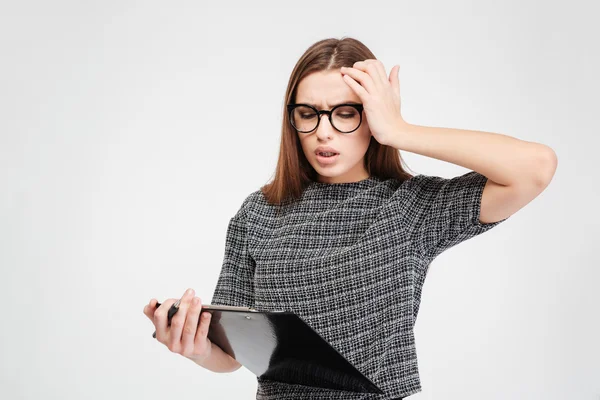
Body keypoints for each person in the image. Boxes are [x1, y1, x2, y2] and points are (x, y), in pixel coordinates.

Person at [143, 37, 557, 399]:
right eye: (309, 113)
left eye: (346, 113)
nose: (324, 132)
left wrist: (400, 129)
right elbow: (231, 357)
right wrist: (195, 346)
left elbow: (536, 168)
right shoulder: (257, 213)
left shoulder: (410, 206)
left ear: (372, 116)